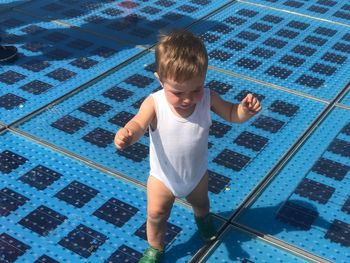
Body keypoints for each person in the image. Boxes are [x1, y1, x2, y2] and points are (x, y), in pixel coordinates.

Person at [114, 30, 262, 263]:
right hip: (163, 177)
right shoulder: (155, 103)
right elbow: (139, 124)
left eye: (195, 89)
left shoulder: (208, 98)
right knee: (156, 214)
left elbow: (232, 114)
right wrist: (128, 135)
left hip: (196, 175)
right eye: (177, 92)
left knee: (201, 204)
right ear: (160, 79)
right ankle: (155, 247)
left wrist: (244, 111)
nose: (187, 98)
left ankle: (203, 221)